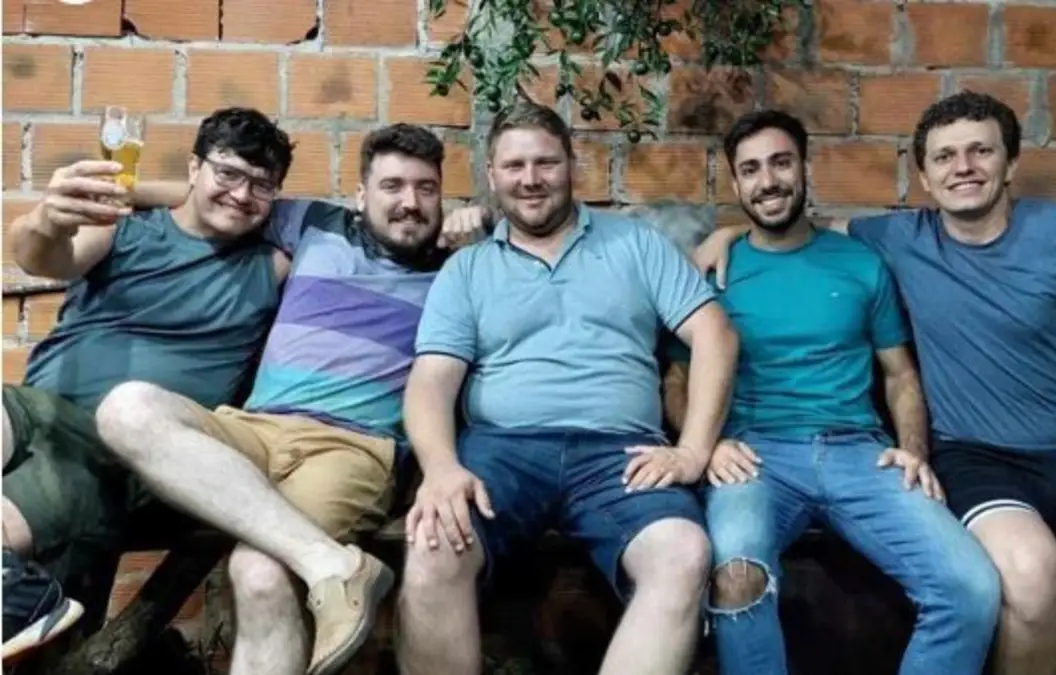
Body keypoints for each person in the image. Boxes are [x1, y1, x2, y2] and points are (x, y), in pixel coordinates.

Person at [693, 91, 1056, 675]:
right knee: (1029, 572)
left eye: (981, 151)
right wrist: (727, 235)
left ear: (1011, 162)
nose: (963, 167)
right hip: (970, 459)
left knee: (980, 585)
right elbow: (785, 228)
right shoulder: (896, 238)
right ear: (924, 178)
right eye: (945, 157)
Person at [93, 123, 489, 675]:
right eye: (392, 186)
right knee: (127, 408)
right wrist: (123, 190)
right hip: (255, 428)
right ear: (360, 196)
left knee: (259, 571)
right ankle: (334, 566)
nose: (410, 202)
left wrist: (484, 221)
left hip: (350, 449)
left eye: (426, 189)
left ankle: (327, 566)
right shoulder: (315, 223)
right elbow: (211, 196)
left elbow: (528, 237)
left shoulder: (459, 269)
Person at [396, 101, 740, 675]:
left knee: (683, 552)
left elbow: (716, 335)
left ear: (572, 165)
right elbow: (432, 379)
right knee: (432, 546)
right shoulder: (467, 269)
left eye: (545, 163)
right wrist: (439, 467)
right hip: (502, 452)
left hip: (620, 454)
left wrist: (692, 452)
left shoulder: (635, 244)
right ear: (492, 176)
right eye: (514, 166)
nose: (530, 179)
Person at [664, 109, 1002, 675]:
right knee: (736, 575)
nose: (768, 180)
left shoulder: (861, 263)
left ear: (804, 167)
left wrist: (913, 451)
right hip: (753, 456)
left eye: (780, 162)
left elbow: (900, 375)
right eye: (750, 169)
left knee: (972, 587)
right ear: (736, 184)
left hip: (859, 453)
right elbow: (676, 380)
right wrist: (707, 445)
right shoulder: (711, 272)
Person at [2, 107, 292, 660]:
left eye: (262, 185)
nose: (241, 194)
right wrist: (46, 219)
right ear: (194, 167)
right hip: (42, 415)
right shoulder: (122, 228)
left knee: (64, 472)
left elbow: (364, 227)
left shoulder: (272, 264)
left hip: (136, 459)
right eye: (228, 173)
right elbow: (44, 258)